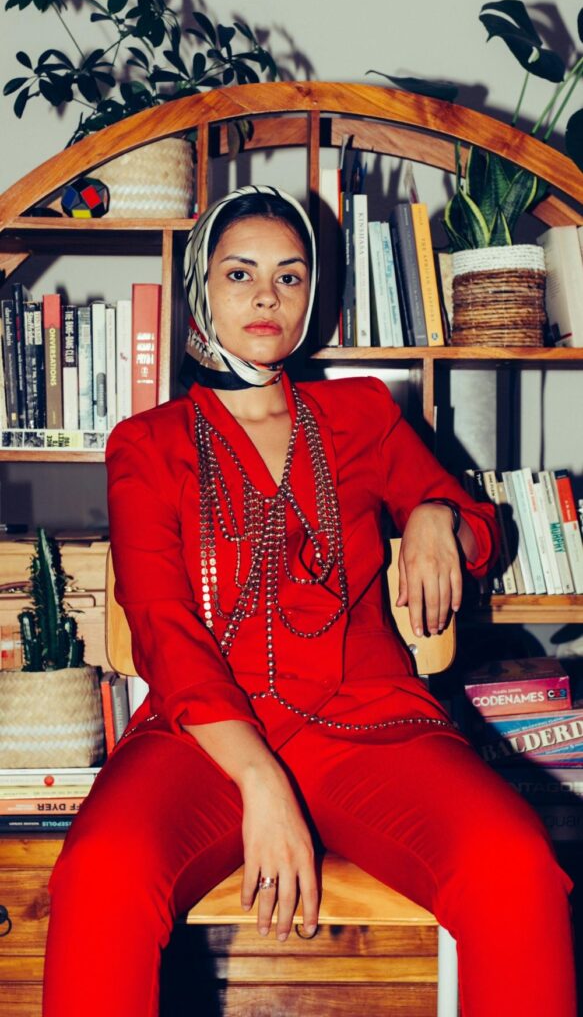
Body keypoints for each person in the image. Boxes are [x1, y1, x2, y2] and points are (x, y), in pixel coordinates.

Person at [43, 185, 577, 1017]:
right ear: (200, 291)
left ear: (312, 299)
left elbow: (483, 533)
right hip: (205, 739)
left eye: (290, 277)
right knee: (97, 873)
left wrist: (439, 515)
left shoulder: (361, 412)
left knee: (513, 864)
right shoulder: (146, 444)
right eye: (240, 273)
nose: (266, 295)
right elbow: (160, 625)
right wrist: (260, 779)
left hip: (370, 724)